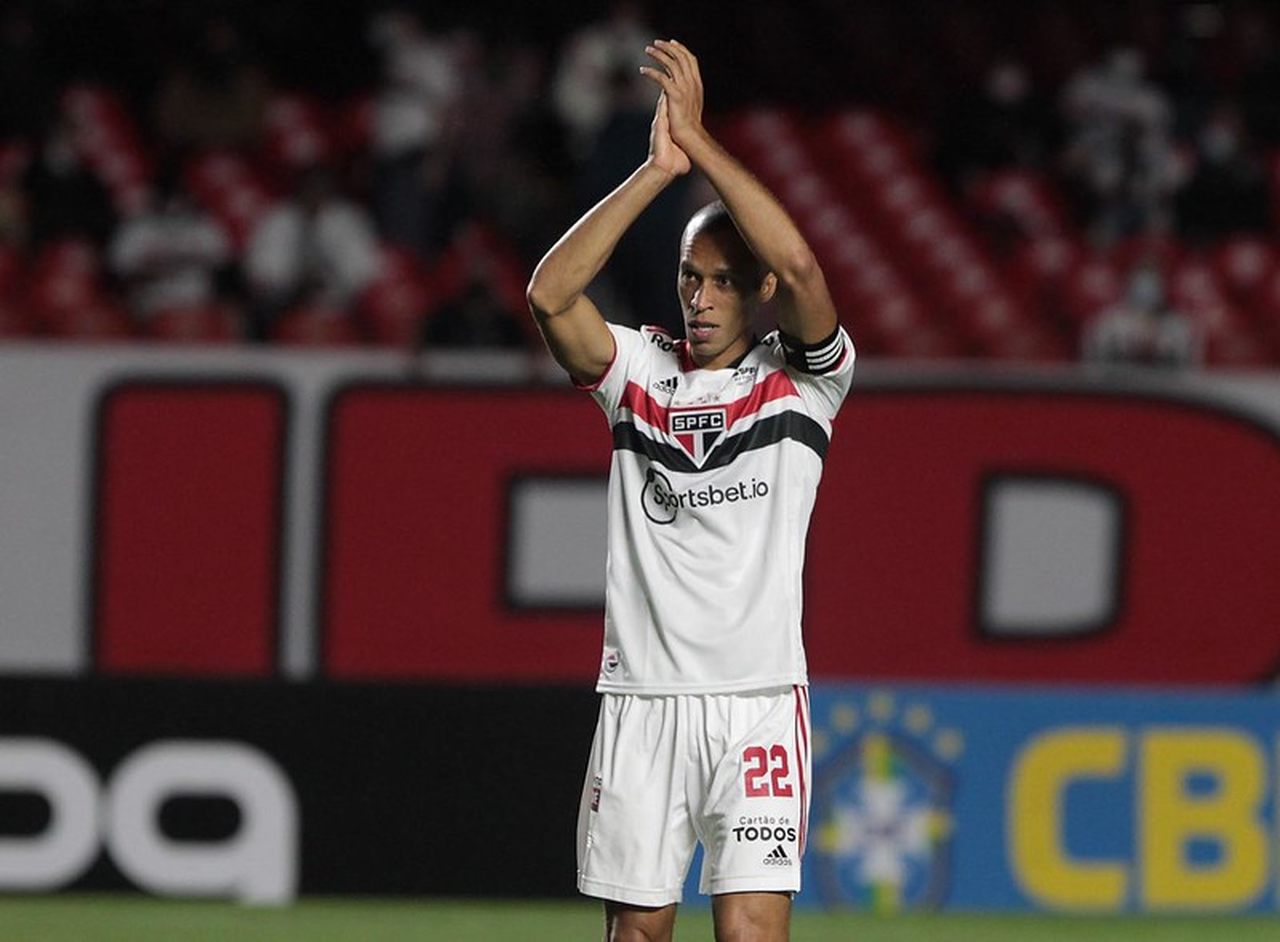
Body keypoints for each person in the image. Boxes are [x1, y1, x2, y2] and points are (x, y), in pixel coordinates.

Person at [526, 40, 854, 942]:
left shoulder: (806, 383)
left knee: (750, 931)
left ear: (756, 293)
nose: (698, 299)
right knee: (639, 933)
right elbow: (551, 296)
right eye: (686, 278)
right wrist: (655, 173)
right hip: (643, 700)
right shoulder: (636, 368)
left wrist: (703, 142)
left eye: (718, 282)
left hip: (757, 701)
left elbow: (807, 272)